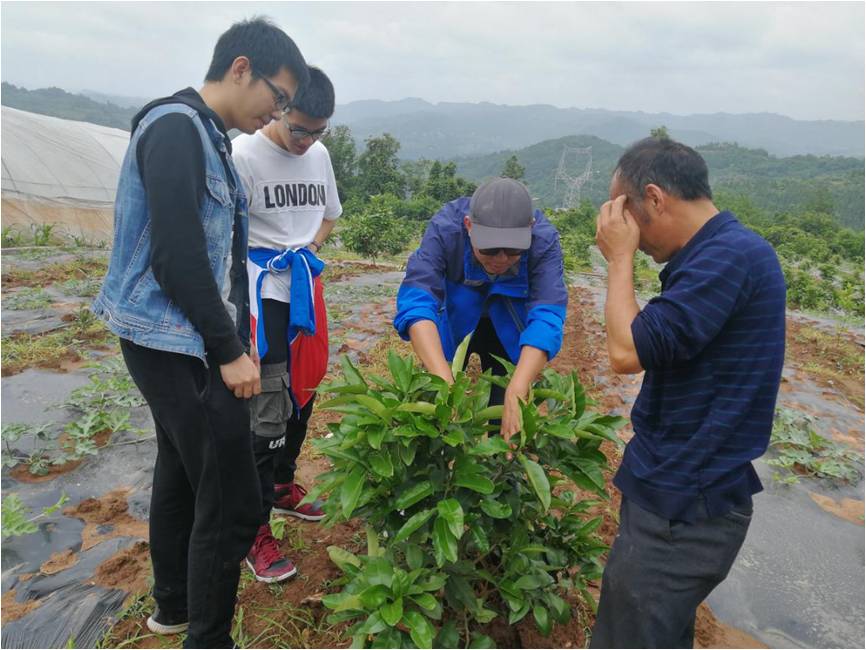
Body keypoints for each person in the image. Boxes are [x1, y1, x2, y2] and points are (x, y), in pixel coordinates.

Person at [91, 18, 308, 648]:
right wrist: (229, 350)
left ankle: (175, 607)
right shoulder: (176, 130)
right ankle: (209, 639)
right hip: (175, 342)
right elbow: (177, 256)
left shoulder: (206, 135)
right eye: (278, 95)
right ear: (241, 68)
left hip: (178, 338)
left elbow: (215, 259)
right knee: (233, 498)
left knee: (183, 473)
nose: (278, 112)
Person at [590, 137, 786, 648]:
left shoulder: (729, 258)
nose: (629, 232)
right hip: (677, 498)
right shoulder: (715, 255)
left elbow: (626, 352)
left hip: (682, 509)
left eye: (626, 214)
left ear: (655, 198)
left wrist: (619, 259)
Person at [232, 66, 340, 582]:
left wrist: (310, 247)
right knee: (267, 409)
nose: (307, 141)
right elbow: (225, 235)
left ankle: (281, 486)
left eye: (318, 132)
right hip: (262, 298)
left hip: (305, 291)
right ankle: (253, 529)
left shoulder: (319, 156)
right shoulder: (243, 156)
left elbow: (330, 213)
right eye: (299, 129)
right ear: (279, 109)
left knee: (305, 390)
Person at [394, 177, 567, 440]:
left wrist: (518, 388)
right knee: (438, 411)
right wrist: (443, 380)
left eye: (513, 250)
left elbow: (548, 314)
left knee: (507, 411)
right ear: (468, 226)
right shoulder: (446, 230)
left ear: (530, 229)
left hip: (510, 329)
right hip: (457, 321)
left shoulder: (543, 241)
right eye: (489, 249)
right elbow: (417, 300)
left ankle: (501, 461)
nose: (501, 259)